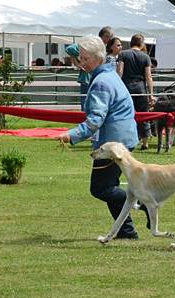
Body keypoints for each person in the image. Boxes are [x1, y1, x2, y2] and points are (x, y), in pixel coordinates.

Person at [59, 36, 140, 240]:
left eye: (86, 59)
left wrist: (71, 135)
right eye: (81, 59)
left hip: (113, 144)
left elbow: (95, 120)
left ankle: (142, 200)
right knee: (108, 185)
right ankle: (127, 231)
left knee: (100, 188)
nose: (82, 63)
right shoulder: (110, 75)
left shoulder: (100, 82)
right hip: (124, 139)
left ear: (98, 58)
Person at [117, 34, 154, 150]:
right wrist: (151, 94)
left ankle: (125, 140)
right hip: (140, 87)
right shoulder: (145, 57)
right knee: (144, 114)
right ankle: (145, 143)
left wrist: (117, 86)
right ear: (142, 43)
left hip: (127, 87)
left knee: (125, 114)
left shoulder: (123, 54)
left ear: (131, 42)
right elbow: (148, 76)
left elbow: (120, 71)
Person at [66, 26, 115, 111]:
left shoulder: (105, 46)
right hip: (87, 79)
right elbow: (70, 49)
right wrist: (76, 62)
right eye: (110, 38)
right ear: (105, 36)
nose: (111, 40)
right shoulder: (91, 44)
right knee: (86, 106)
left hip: (97, 79)